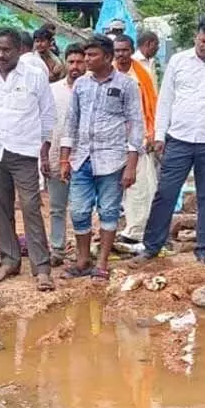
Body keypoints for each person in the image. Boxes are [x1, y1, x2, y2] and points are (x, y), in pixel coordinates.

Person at [133, 15, 205, 268]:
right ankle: (152, 246)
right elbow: (166, 100)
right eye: (203, 40)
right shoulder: (178, 60)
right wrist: (160, 135)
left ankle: (204, 248)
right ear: (196, 36)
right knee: (166, 193)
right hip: (180, 138)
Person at [0, 27, 56, 291]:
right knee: (1, 208)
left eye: (5, 49)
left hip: (24, 152)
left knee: (31, 207)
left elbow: (47, 115)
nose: (0, 55)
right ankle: (9, 261)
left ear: (19, 50)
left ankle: (42, 268)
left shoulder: (35, 77)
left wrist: (43, 149)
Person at [59, 36, 144, 282]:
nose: (87, 59)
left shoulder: (126, 85)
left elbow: (136, 125)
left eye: (92, 55)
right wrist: (65, 159)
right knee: (78, 211)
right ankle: (83, 260)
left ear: (107, 57)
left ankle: (102, 262)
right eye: (86, 55)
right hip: (82, 159)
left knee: (108, 211)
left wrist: (131, 165)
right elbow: (71, 121)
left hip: (112, 160)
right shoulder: (81, 85)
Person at [112, 34, 159, 244]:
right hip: (111, 140)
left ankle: (136, 231)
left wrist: (152, 133)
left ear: (132, 51)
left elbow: (153, 103)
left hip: (138, 138)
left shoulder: (143, 74)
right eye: (117, 50)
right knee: (110, 188)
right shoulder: (107, 74)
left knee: (141, 186)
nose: (121, 54)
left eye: (125, 50)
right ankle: (108, 231)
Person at [47, 43, 85, 265]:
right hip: (55, 155)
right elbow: (45, 124)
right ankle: (58, 250)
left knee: (83, 207)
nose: (75, 66)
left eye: (80, 62)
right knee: (57, 207)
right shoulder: (53, 91)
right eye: (71, 62)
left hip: (84, 157)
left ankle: (83, 250)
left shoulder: (92, 89)